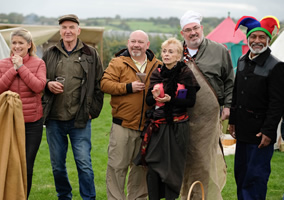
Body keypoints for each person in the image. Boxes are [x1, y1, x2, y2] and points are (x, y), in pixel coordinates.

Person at [42, 14, 104, 200]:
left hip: (80, 120)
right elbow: (38, 80)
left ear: (78, 30)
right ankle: (64, 196)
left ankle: (88, 198)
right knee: (57, 166)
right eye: (64, 28)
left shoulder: (90, 54)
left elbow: (99, 84)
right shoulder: (50, 53)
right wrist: (47, 84)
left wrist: (92, 111)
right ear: (60, 31)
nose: (67, 31)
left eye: (71, 27)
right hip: (54, 119)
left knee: (84, 163)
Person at [179, 10, 234, 199]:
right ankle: (187, 195)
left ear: (202, 28)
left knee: (204, 160)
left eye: (195, 28)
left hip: (209, 118)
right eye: (188, 30)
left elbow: (229, 81)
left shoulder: (219, 50)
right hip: (182, 116)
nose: (193, 33)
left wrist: (227, 105)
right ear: (182, 33)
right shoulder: (177, 52)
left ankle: (205, 196)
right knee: (185, 158)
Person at [101, 30, 161, 200]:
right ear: (128, 42)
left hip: (148, 126)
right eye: (133, 41)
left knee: (141, 169)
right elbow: (105, 84)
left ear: (147, 45)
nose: (136, 45)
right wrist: (128, 87)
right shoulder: (118, 62)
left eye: (140, 42)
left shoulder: (157, 65)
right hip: (123, 125)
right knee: (117, 168)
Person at [136, 38, 200, 200]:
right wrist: (154, 95)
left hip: (178, 126)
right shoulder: (157, 73)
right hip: (157, 126)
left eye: (171, 52)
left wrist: (171, 100)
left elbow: (190, 102)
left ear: (179, 56)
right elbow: (149, 102)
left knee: (173, 166)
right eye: (164, 51)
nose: (166, 54)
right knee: (152, 164)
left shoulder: (185, 73)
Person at [229, 15, 284, 200]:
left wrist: (269, 131)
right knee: (241, 175)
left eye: (262, 37)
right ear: (248, 38)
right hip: (243, 131)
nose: (257, 41)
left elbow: (277, 103)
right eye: (253, 37)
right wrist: (233, 121)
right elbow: (237, 93)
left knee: (255, 178)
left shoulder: (276, 66)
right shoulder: (242, 61)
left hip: (261, 134)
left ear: (269, 40)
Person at [0, 28, 46, 198]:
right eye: (14, 42)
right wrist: (13, 69)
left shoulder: (39, 64)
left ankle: (23, 197)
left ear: (29, 45)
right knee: (8, 164)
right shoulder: (1, 64)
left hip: (32, 123)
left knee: (27, 165)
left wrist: (21, 67)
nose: (16, 46)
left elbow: (38, 86)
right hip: (9, 123)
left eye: (21, 43)